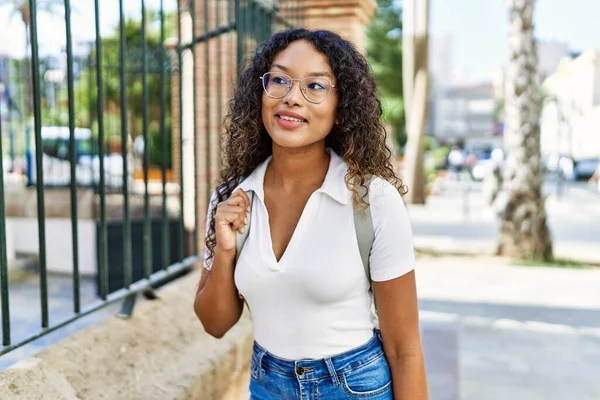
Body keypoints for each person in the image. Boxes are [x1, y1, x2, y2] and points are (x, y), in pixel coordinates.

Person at [194, 28, 428, 400]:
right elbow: (215, 323)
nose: (291, 98)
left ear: (342, 106)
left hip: (354, 387)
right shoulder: (233, 198)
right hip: (267, 385)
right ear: (261, 92)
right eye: (279, 80)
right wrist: (225, 251)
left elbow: (405, 350)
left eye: (315, 86)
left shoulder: (372, 201)